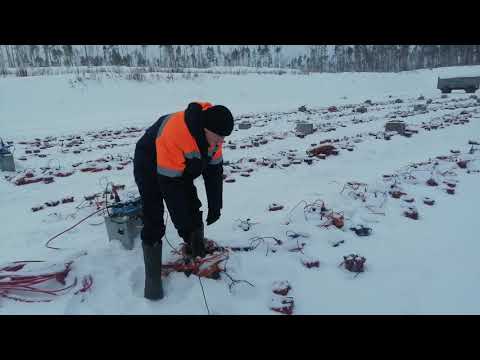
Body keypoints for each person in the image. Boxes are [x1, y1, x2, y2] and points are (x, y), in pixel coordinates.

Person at [133, 101, 234, 300]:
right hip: (149, 160)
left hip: (178, 165)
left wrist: (216, 207)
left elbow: (214, 173)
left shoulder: (214, 137)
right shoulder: (176, 133)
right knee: (154, 216)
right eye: (219, 137)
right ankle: (152, 279)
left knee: (193, 205)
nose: (221, 142)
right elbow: (172, 190)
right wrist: (183, 227)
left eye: (224, 138)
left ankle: (196, 249)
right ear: (206, 130)